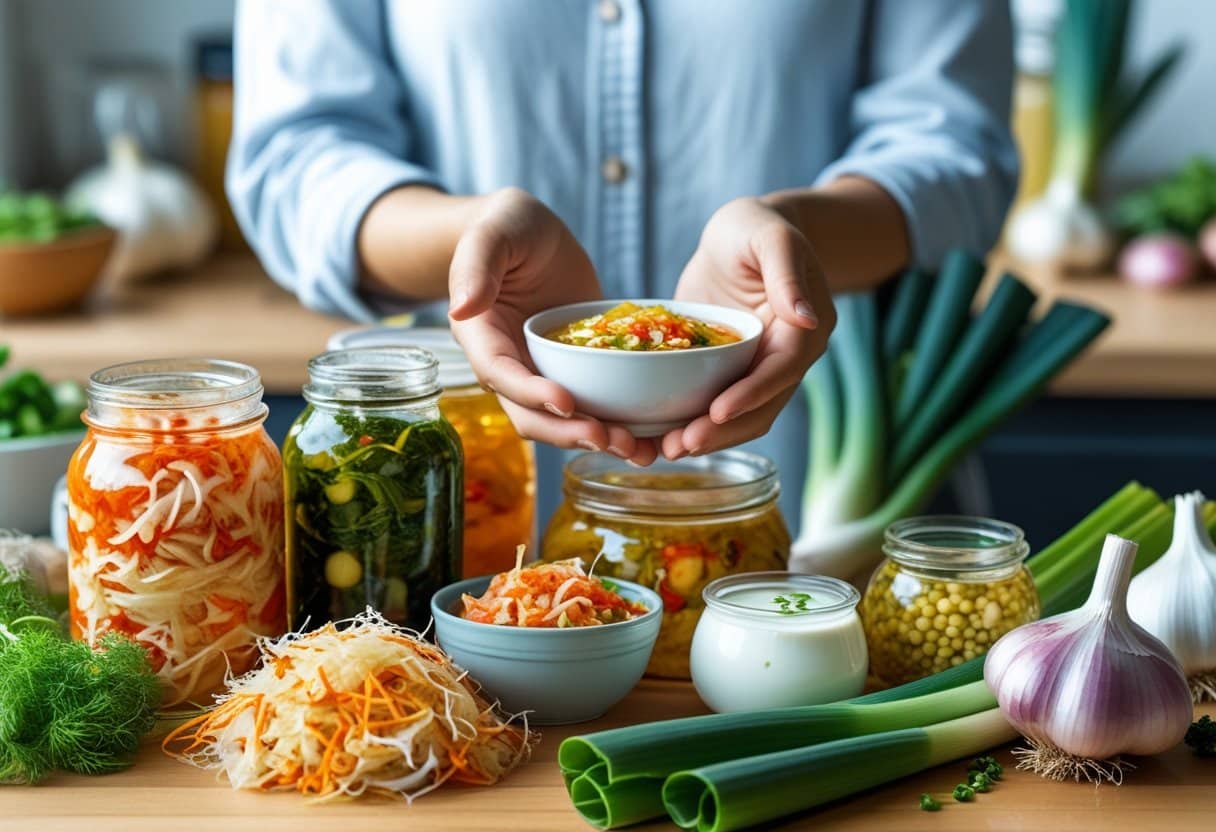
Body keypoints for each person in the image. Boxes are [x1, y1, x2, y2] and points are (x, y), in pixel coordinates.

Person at [227, 0, 1018, 527]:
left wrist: (792, 234)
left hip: (828, 499)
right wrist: (469, 238)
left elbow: (957, 153)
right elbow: (294, 160)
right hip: (478, 505)